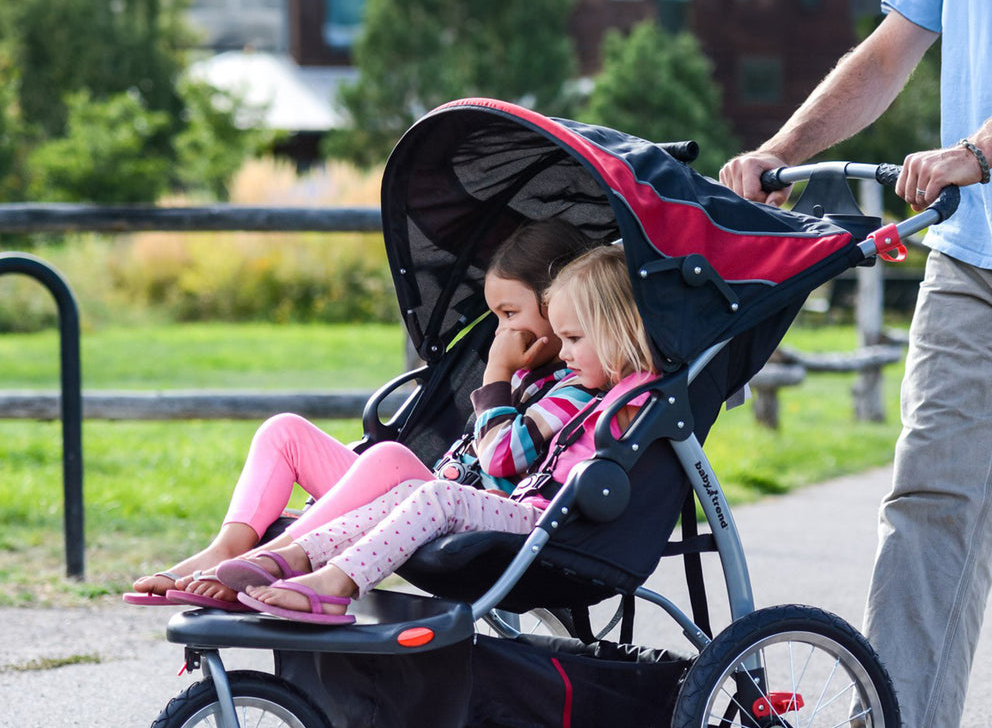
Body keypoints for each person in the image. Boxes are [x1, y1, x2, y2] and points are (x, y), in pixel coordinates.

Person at [720, 0, 992, 728]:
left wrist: (980, 149)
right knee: (928, 502)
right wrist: (786, 149)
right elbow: (887, 52)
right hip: (972, 257)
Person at [123, 217, 594, 609]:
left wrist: (496, 375)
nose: (499, 332)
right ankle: (227, 549)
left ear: (562, 307)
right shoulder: (524, 375)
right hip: (403, 496)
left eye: (510, 314)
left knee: (388, 457)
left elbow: (498, 465)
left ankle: (268, 562)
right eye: (494, 318)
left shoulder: (569, 391)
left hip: (450, 503)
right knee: (283, 431)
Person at [234, 244, 657, 625]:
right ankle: (304, 556)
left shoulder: (637, 391)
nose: (564, 353)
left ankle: (335, 583)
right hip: (525, 509)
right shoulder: (596, 389)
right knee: (410, 493)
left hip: (550, 527)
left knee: (439, 496)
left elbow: (687, 329)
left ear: (617, 330)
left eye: (574, 339)